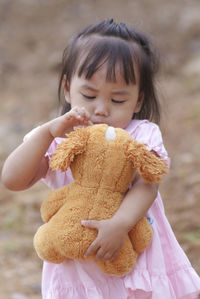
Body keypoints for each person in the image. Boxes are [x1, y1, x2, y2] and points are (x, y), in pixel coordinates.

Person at [2, 19, 200, 299]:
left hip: (132, 258)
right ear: (68, 88)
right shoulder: (58, 136)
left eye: (118, 100)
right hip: (76, 267)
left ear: (139, 100)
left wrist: (121, 223)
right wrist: (46, 134)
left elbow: (148, 184)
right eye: (89, 95)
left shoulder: (140, 134)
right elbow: (13, 180)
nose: (101, 109)